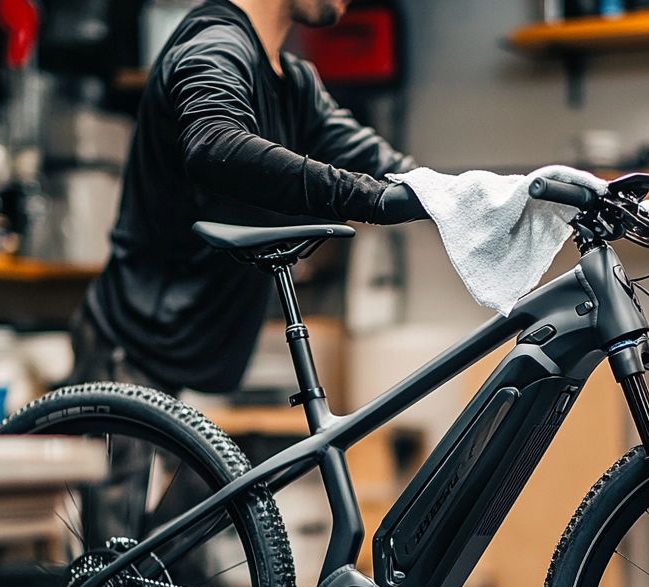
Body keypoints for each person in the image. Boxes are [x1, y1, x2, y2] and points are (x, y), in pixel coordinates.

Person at [70, 0, 426, 393]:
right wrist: (367, 198)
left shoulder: (293, 82)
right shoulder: (215, 45)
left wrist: (470, 198)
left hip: (188, 347)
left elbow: (383, 164)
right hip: (134, 348)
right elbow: (215, 144)